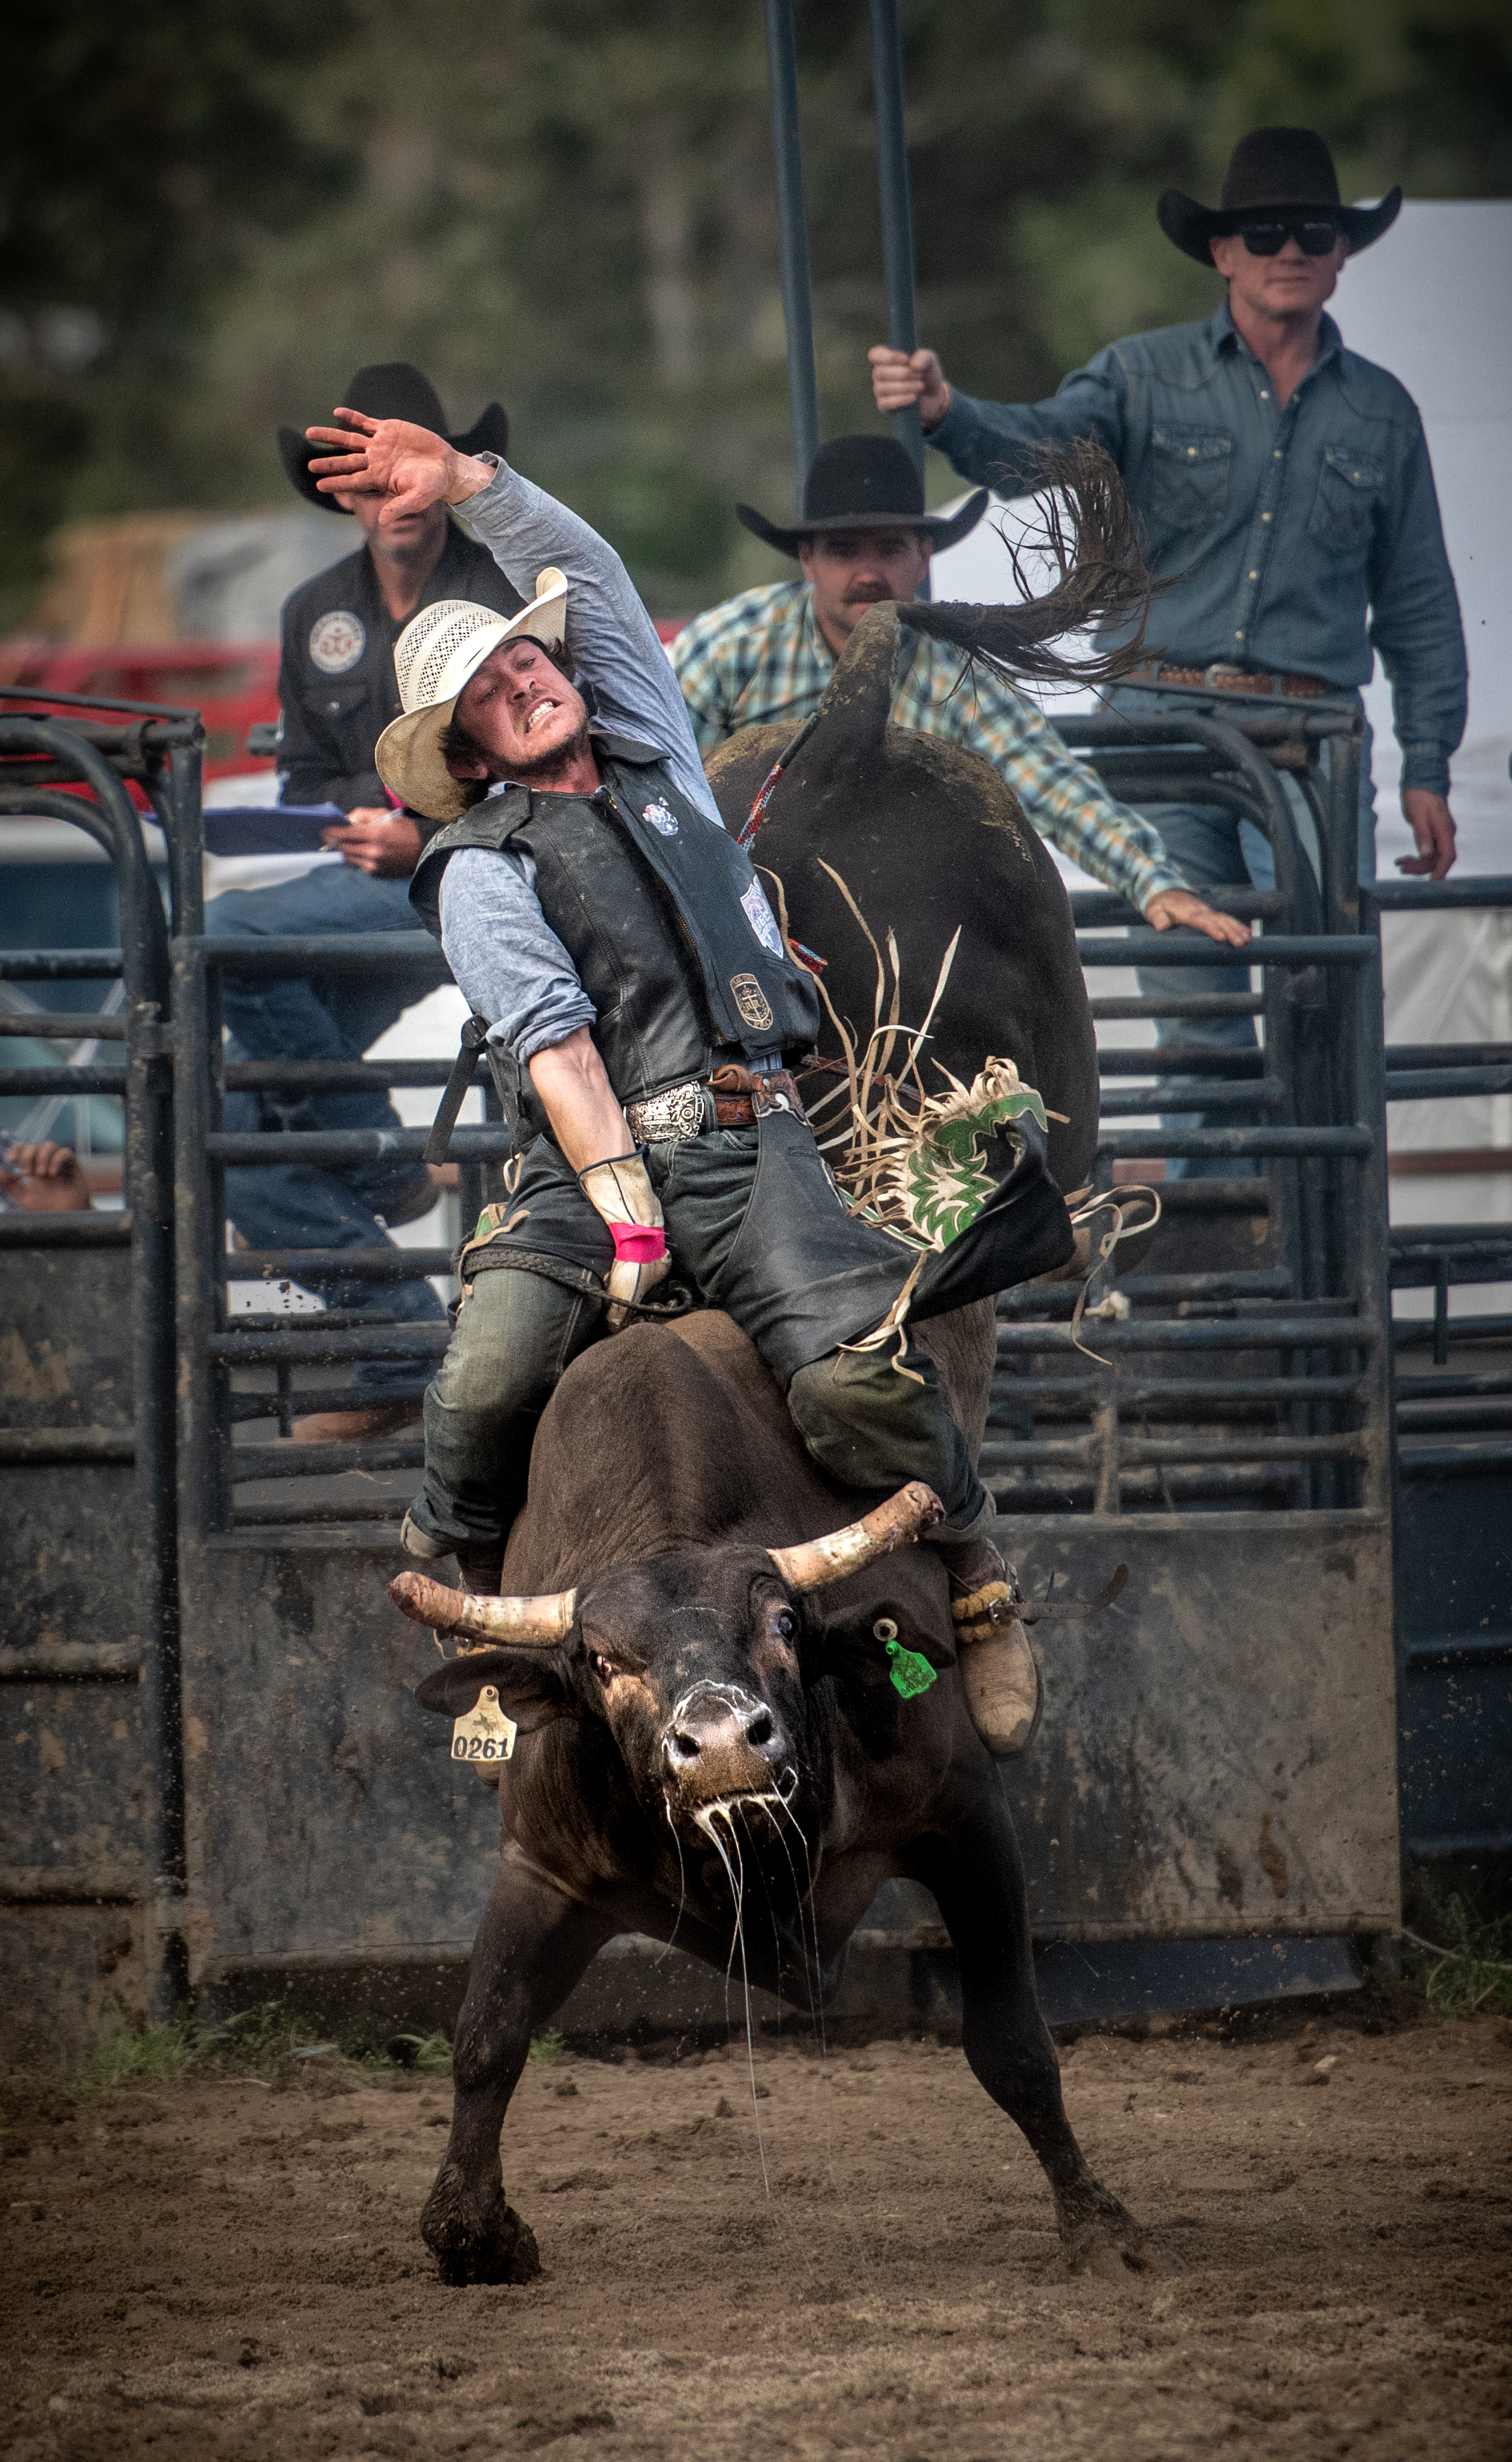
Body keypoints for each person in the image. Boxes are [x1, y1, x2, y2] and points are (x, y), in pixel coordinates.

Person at [301, 402, 1083, 1753]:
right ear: (470, 753)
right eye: (487, 695)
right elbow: (554, 1048)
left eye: (523, 662)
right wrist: (627, 1219)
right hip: (582, 1160)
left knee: (853, 1377)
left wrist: (471, 479)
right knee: (485, 1376)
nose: (525, 684)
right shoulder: (480, 867)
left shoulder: (659, 748)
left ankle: (975, 1572)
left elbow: (593, 575)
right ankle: (474, 1622)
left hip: (743, 1136)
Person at [870, 126, 1468, 1171]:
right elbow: (1039, 448)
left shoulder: (1381, 412)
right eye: (1264, 231)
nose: (1289, 248)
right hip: (1162, 730)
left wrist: (1427, 764)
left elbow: (1417, 602)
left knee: (1315, 992)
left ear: (1338, 255)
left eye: (1311, 231)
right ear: (1223, 252)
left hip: (1308, 739)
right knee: (1194, 1000)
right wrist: (946, 413)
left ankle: (1303, 1240)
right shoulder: (1142, 378)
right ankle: (1226, 1237)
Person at [208, 363, 526, 1436]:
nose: (392, 501)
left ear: (440, 481)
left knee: (222, 932)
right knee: (230, 1118)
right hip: (363, 888)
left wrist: (424, 831)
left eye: (408, 478)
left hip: (477, 881)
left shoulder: (497, 596)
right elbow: (302, 774)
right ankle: (397, 1337)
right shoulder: (314, 615)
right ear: (340, 491)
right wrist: (366, 820)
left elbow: (537, 757)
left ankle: (383, 1166)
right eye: (368, 481)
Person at [674, 432, 1246, 950]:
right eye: (845, 551)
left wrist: (1150, 881)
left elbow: (1047, 782)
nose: (867, 572)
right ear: (808, 561)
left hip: (902, 933)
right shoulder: (730, 649)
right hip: (752, 919)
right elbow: (658, 779)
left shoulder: (953, 671)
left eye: (889, 549)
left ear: (923, 556)